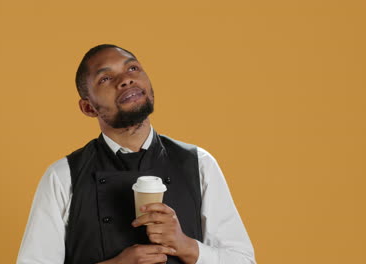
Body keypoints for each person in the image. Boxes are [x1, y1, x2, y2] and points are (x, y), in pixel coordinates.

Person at [17, 44, 256, 264]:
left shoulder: (199, 163)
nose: (126, 80)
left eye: (132, 68)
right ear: (88, 107)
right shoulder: (63, 176)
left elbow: (243, 260)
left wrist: (186, 246)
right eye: (106, 78)